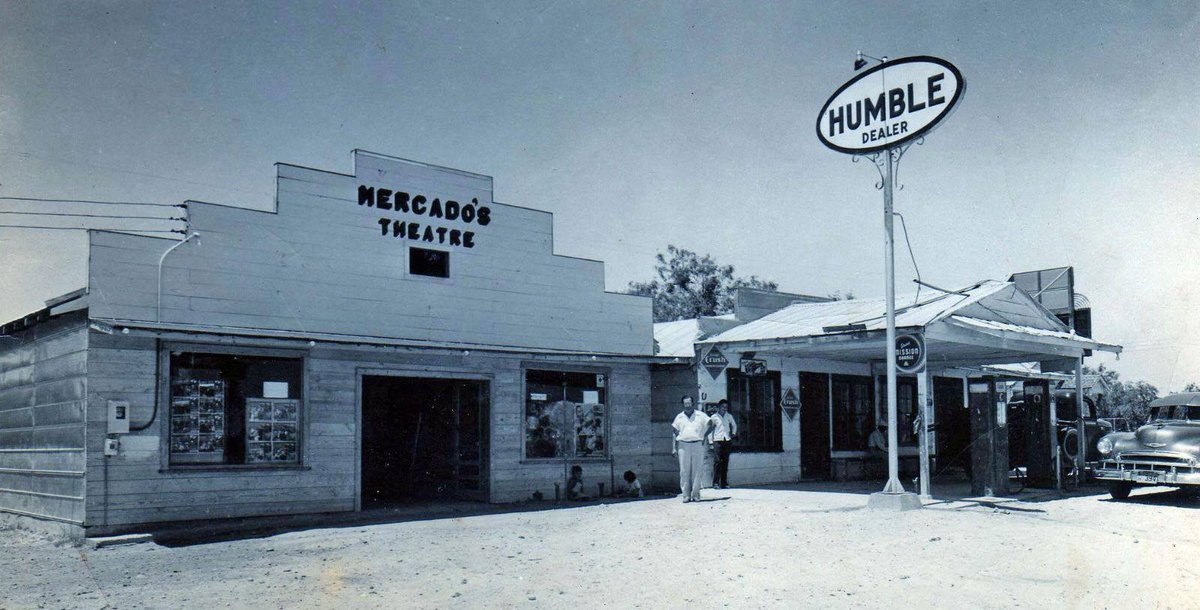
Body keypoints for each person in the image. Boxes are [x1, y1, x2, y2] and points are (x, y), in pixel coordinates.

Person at [672, 395, 713, 502]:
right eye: (685, 404)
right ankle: (685, 495)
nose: (688, 406)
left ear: (693, 403)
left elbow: (711, 423)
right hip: (683, 445)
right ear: (683, 404)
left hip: (697, 444)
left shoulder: (700, 415)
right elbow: (674, 432)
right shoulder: (679, 417)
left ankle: (695, 495)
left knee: (697, 470)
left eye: (689, 403)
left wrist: (704, 435)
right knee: (684, 471)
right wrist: (674, 448)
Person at [709, 399, 737, 489]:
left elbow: (734, 425)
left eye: (726, 407)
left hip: (727, 440)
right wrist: (710, 442)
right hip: (717, 440)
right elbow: (710, 430)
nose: (724, 409)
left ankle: (724, 483)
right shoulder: (714, 417)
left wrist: (733, 433)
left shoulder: (729, 416)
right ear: (719, 407)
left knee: (725, 462)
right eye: (723, 407)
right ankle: (715, 483)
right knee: (717, 462)